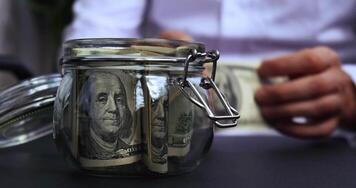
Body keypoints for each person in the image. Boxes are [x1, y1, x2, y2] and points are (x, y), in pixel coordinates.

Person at [65, 0, 356, 139]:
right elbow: (88, 46)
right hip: (161, 135)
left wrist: (351, 92)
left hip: (322, 140)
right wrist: (139, 59)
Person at [79, 71, 133, 159]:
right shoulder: (81, 147)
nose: (114, 108)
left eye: (119, 99)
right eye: (102, 99)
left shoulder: (128, 150)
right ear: (87, 106)